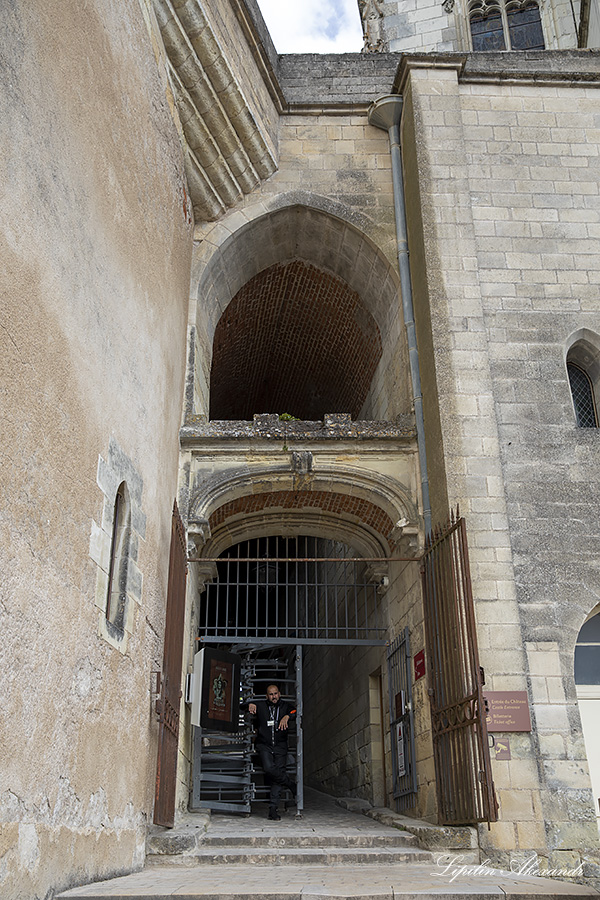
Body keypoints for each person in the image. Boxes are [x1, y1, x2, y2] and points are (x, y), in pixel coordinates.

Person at [245, 683, 297, 820]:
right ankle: (290, 784)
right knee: (268, 768)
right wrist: (249, 705)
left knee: (276, 777)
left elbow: (295, 711)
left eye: (275, 694)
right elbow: (243, 705)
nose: (274, 697)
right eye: (271, 694)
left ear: (279, 694)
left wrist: (287, 717)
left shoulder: (285, 706)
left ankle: (273, 809)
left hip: (280, 745)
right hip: (264, 745)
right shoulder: (261, 706)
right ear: (267, 696)